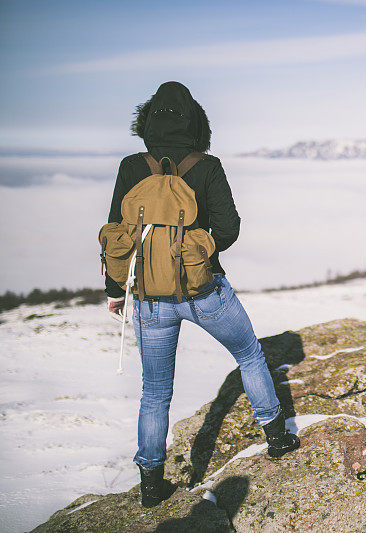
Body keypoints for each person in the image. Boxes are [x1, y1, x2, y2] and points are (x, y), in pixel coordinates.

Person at [105, 81, 299, 508]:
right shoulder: (206, 166)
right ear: (196, 122)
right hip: (203, 289)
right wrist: (198, 250)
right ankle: (277, 437)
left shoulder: (130, 166)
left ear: (147, 120)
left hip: (150, 298)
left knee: (155, 392)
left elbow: (117, 236)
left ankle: (151, 484)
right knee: (249, 354)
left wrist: (115, 290)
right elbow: (228, 229)